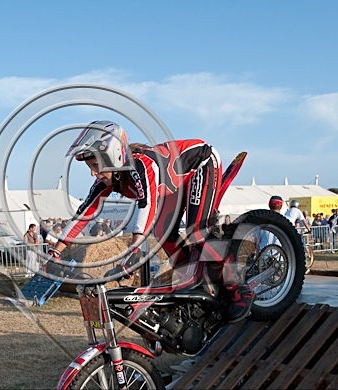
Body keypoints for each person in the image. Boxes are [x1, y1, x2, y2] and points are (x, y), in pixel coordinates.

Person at [52, 120, 253, 322]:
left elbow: (146, 205)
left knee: (198, 230)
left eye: (95, 165)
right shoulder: (106, 180)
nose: (92, 173)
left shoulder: (142, 164)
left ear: (113, 156)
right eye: (90, 167)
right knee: (162, 232)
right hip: (175, 186)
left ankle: (237, 289)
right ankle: (192, 279)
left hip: (201, 163)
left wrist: (135, 249)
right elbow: (84, 213)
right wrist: (56, 250)